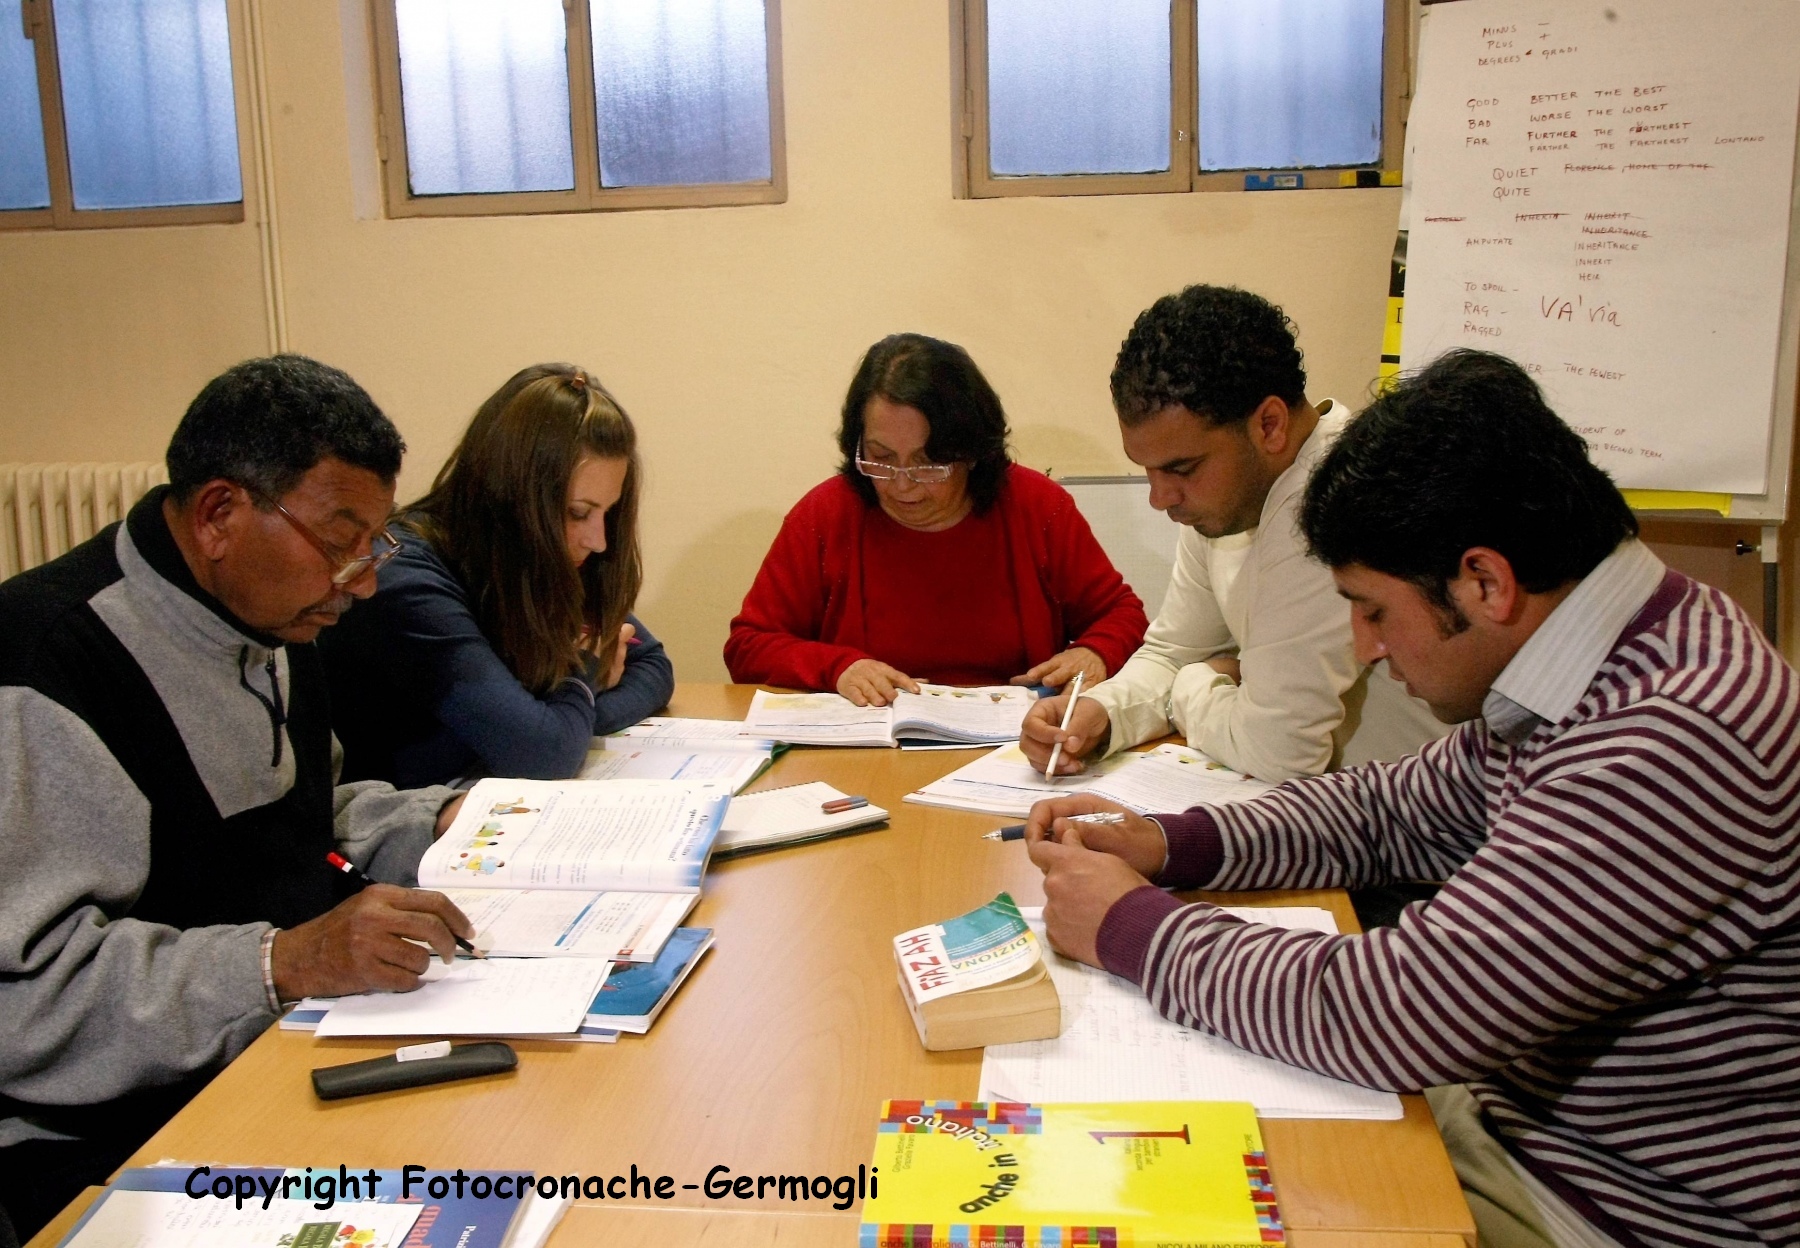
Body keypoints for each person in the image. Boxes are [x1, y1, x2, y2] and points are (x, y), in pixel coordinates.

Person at [1023, 349, 1800, 1248]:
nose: (1365, 648)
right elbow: (1388, 812)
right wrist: (1168, 843)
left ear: (1485, 583)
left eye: (1374, 611)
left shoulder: (1669, 740)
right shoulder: (1602, 652)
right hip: (1521, 1120)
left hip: (1616, 1204)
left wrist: (1133, 928)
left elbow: (1396, 1012)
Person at [0, 356, 478, 1241]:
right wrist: (282, 962)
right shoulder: (45, 671)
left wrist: (453, 824)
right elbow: (27, 1002)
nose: (363, 582)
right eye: (340, 543)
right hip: (104, 1138)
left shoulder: (271, 617)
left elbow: (304, 821)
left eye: (375, 545)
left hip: (278, 1051)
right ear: (220, 514)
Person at [1020, 285, 1444, 783]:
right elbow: (1174, 652)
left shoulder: (1334, 502)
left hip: (1411, 820)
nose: (1160, 497)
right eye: (1147, 469)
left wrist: (1191, 687)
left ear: (1269, 425)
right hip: (1329, 804)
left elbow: (1276, 751)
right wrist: (1101, 712)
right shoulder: (1228, 500)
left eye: (1181, 468)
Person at [725, 333, 1148, 705]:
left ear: (971, 453)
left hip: (1013, 745)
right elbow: (748, 645)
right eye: (881, 458)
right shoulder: (826, 515)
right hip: (868, 746)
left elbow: (1123, 615)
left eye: (927, 463)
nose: (901, 484)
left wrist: (1094, 652)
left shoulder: (1036, 507)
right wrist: (837, 668)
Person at [321, 364, 673, 787]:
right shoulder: (406, 577)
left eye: (608, 513)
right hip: (404, 815)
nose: (598, 540)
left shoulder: (549, 557)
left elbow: (653, 667)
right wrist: (582, 677)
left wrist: (565, 719)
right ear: (513, 498)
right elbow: (544, 754)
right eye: (578, 512)